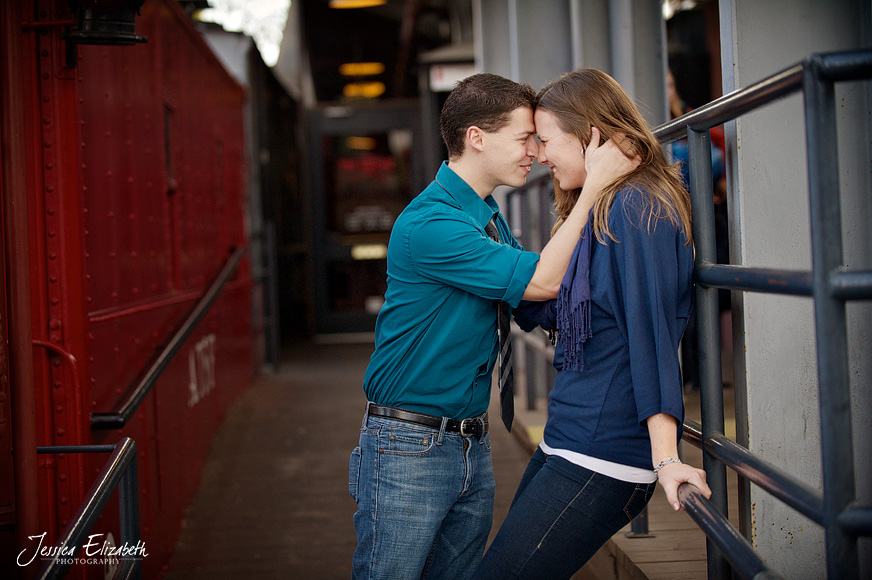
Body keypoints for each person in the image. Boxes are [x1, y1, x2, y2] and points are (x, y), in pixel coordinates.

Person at [349, 73, 638, 580]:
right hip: (408, 445)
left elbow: (534, 303)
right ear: (476, 138)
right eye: (524, 137)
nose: (536, 151)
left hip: (467, 441)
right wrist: (596, 183)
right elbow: (545, 283)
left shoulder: (488, 219)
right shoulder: (432, 226)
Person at [475, 69, 712, 580]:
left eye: (546, 140)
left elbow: (651, 335)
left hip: (604, 453)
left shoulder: (637, 206)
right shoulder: (604, 208)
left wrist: (667, 458)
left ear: (593, 137)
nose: (539, 155)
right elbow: (559, 310)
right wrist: (499, 267)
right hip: (568, 437)